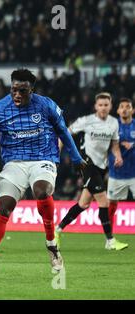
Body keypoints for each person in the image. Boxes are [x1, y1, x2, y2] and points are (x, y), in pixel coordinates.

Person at [0, 69, 86, 280]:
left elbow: (63, 131)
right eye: (14, 90)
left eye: (22, 91)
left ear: (32, 90)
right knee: (4, 207)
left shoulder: (46, 105)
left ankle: (51, 243)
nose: (17, 95)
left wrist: (76, 158)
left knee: (41, 190)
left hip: (43, 159)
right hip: (14, 163)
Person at [55, 93, 128, 251]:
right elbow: (65, 132)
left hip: (102, 166)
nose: (103, 107)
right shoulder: (86, 121)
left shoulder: (114, 123)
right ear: (96, 106)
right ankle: (110, 241)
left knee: (84, 204)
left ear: (110, 106)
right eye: (100, 105)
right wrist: (58, 148)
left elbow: (114, 144)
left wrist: (118, 157)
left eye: (106, 105)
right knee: (104, 202)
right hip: (87, 163)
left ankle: (58, 230)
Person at [107, 98, 135, 232]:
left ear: (132, 110)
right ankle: (110, 237)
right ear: (117, 110)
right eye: (122, 106)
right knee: (112, 204)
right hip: (116, 173)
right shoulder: (112, 126)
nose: (124, 109)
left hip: (134, 174)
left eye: (128, 107)